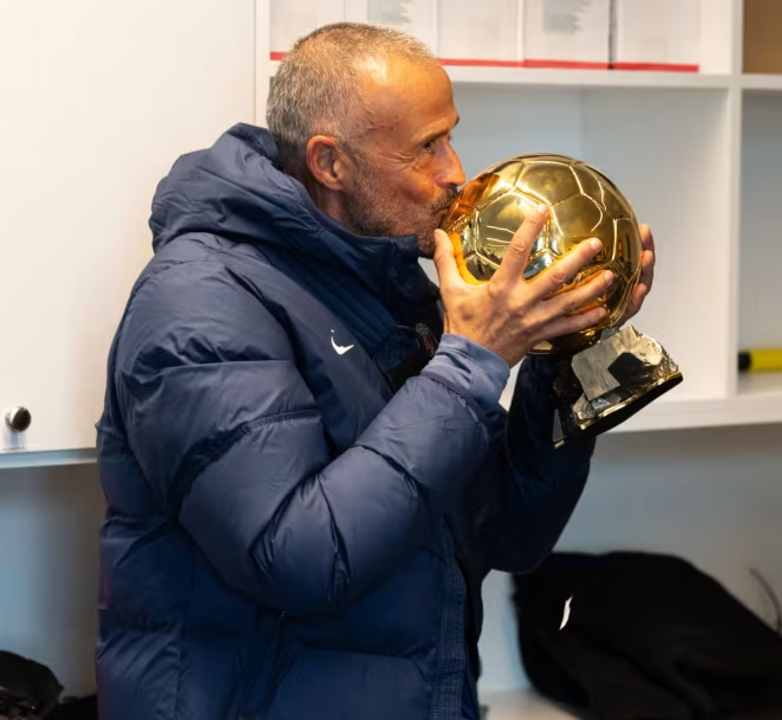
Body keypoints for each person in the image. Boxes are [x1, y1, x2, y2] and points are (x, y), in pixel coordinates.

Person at [94, 23, 656, 720]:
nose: (455, 172)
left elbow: (509, 535)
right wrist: (471, 366)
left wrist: (555, 355)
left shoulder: (393, 287)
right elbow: (300, 558)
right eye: (426, 148)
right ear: (331, 164)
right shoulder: (198, 303)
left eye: (451, 136)